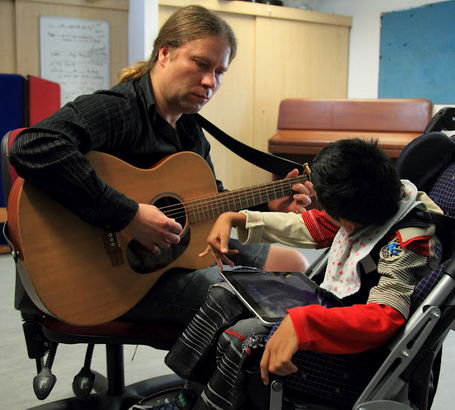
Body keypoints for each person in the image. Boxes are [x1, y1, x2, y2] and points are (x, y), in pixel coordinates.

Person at [10, 5, 311, 326]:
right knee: (257, 301)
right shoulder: (117, 110)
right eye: (200, 64)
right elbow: (33, 146)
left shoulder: (190, 127)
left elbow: (206, 200)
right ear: (164, 54)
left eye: (220, 72)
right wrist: (127, 215)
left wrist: (266, 205)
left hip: (169, 258)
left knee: (291, 265)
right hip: (109, 277)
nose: (210, 81)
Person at [163, 138, 443, 409]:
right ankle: (187, 397)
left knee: (244, 336)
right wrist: (239, 218)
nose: (324, 214)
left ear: (347, 221)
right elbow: (315, 225)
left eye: (329, 211)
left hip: (354, 342)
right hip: (331, 304)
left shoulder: (409, 243)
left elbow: (386, 315)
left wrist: (306, 323)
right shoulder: (373, 200)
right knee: (225, 293)